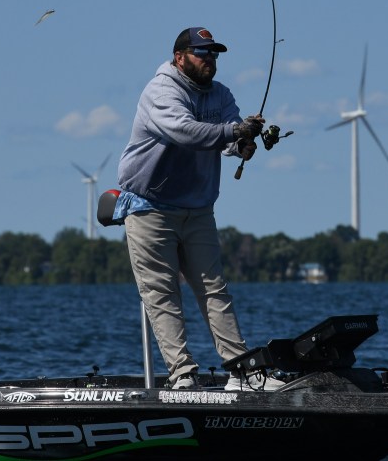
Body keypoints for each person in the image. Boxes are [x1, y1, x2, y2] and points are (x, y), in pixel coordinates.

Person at [114, 26, 283, 392]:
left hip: (198, 208)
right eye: (202, 53)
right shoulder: (161, 91)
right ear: (179, 57)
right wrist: (234, 133)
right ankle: (182, 376)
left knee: (215, 290)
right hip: (149, 207)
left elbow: (230, 138)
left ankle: (242, 373)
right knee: (162, 294)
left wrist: (242, 145)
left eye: (214, 54)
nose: (210, 60)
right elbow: (186, 131)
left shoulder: (221, 94)